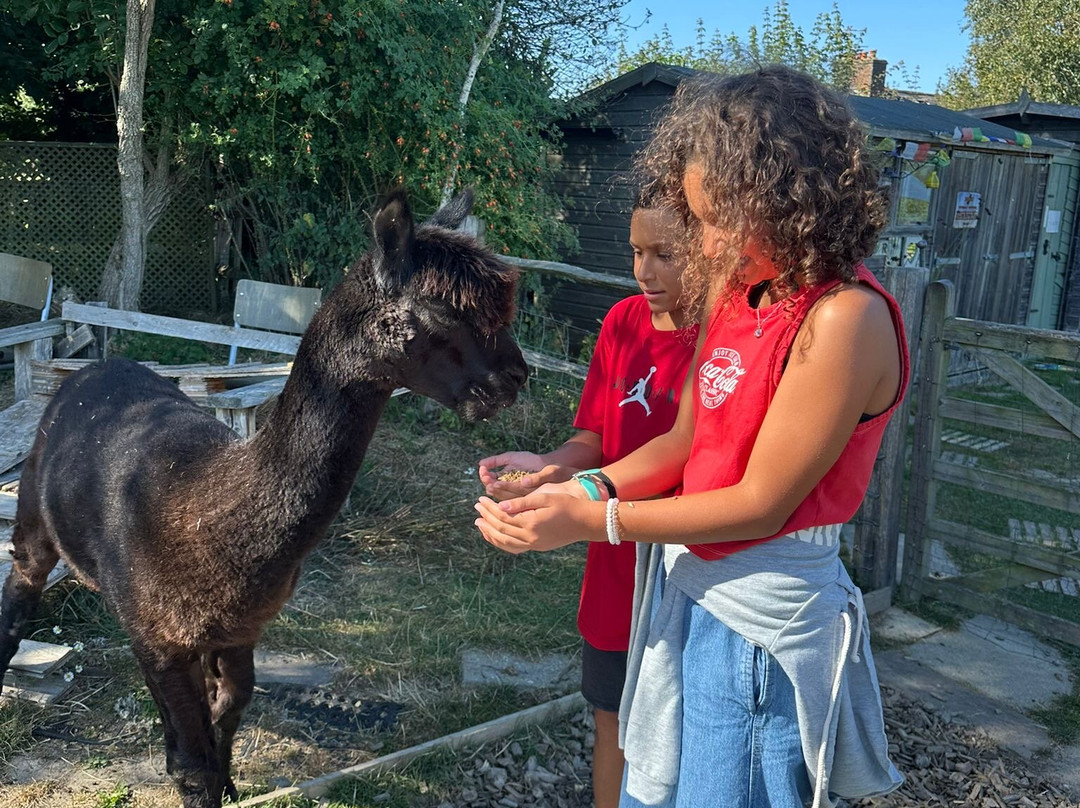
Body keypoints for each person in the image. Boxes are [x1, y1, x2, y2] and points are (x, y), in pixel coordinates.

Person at [474, 65, 906, 808]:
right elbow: (683, 441)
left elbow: (761, 505)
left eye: (714, 219)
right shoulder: (740, 297)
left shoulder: (844, 319)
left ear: (782, 198)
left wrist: (594, 521)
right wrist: (576, 485)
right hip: (694, 592)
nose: (703, 242)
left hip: (765, 621)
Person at [477, 190, 699, 808]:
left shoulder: (719, 340)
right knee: (613, 717)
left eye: (665, 254)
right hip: (612, 563)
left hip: (681, 564)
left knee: (683, 729)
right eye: (636, 253)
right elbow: (592, 442)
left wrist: (578, 494)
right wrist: (546, 469)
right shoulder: (623, 324)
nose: (645, 271)